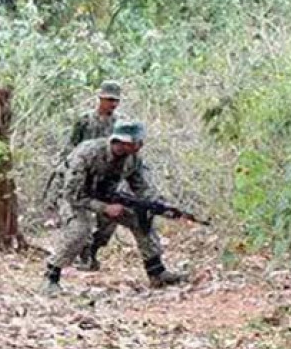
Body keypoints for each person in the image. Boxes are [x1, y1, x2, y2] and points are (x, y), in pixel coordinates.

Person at [42, 120, 188, 294]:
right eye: (137, 142)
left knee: (140, 219)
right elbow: (73, 195)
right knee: (80, 230)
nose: (141, 145)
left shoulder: (132, 159)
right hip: (70, 195)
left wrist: (161, 206)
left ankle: (157, 272)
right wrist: (104, 208)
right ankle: (51, 277)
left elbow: (142, 189)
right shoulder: (87, 154)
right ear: (123, 142)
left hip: (104, 196)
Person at [46, 80, 123, 270]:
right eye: (109, 99)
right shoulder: (85, 121)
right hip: (81, 174)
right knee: (82, 218)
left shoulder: (120, 124)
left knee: (109, 220)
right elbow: (71, 147)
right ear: (100, 98)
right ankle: (83, 254)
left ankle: (93, 251)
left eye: (116, 100)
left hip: (106, 178)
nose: (113, 104)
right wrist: (62, 173)